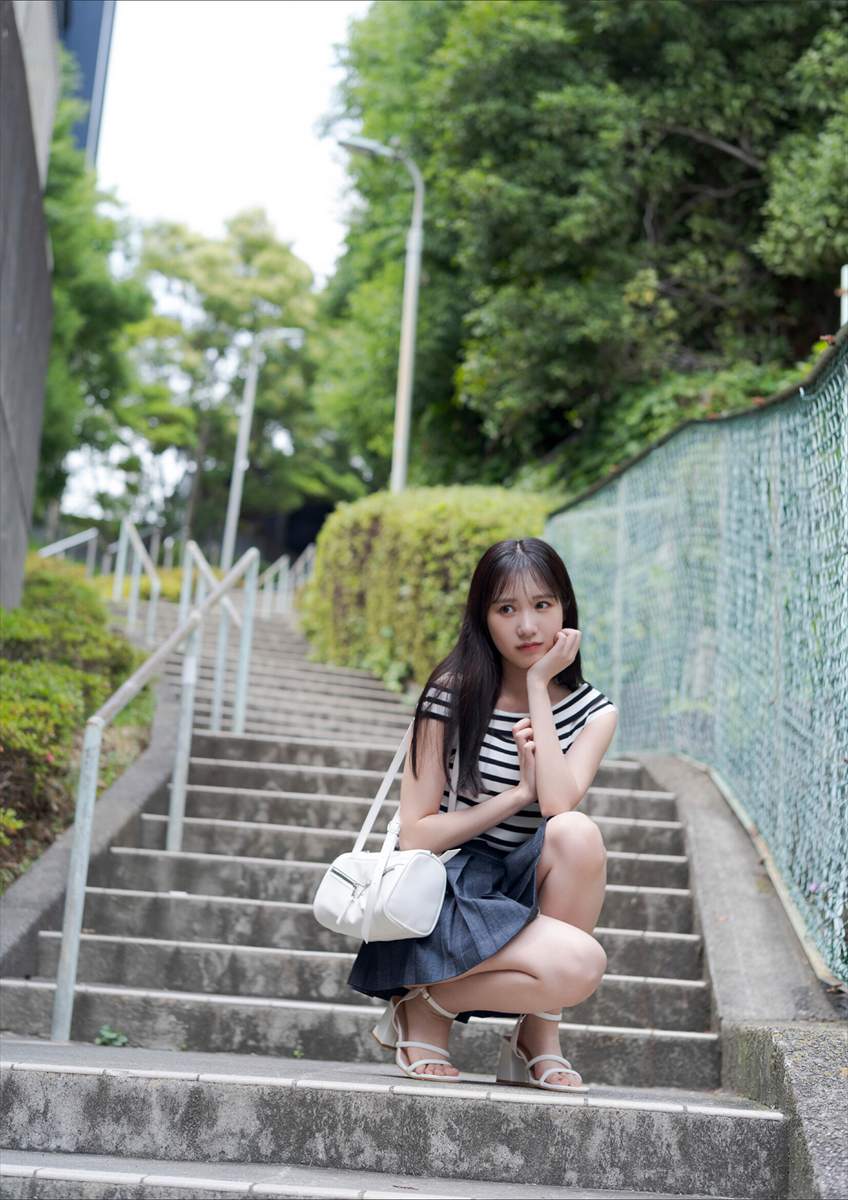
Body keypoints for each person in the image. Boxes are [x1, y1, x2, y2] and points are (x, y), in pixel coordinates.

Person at [346, 536, 618, 1090]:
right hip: (452, 893)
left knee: (576, 834)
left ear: (565, 609)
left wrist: (539, 685)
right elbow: (416, 833)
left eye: (542, 605)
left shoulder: (594, 712)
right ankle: (428, 1013)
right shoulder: (451, 696)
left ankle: (503, 1027)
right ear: (483, 618)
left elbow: (558, 804)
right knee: (581, 965)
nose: (527, 626)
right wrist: (513, 797)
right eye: (506, 609)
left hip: (523, 887)